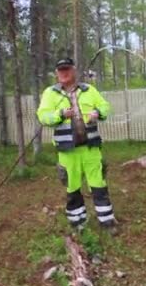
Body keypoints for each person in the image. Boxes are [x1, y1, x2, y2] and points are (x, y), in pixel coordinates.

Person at [37, 58, 117, 233]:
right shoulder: (50, 93)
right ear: (57, 73)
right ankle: (77, 222)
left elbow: (105, 106)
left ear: (73, 70)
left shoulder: (89, 90)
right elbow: (43, 116)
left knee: (98, 184)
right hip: (67, 151)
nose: (64, 73)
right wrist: (60, 114)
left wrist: (98, 112)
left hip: (91, 148)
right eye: (60, 70)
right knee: (72, 186)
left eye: (67, 69)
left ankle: (107, 221)